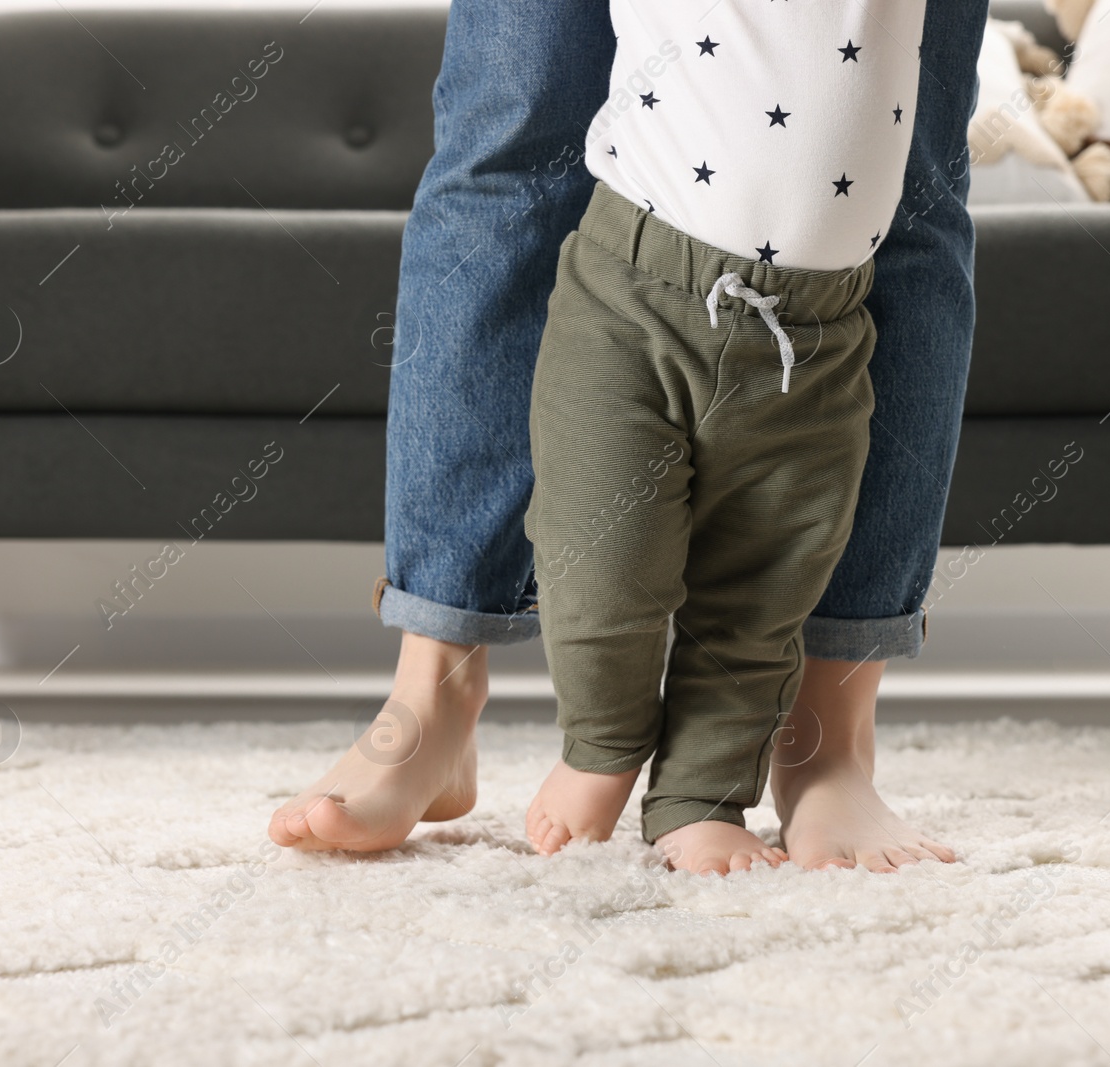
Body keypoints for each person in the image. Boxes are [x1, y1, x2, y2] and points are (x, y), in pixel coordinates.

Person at [269, 0, 990, 873]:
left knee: (912, 179)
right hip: (631, 290)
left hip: (819, 335)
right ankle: (437, 700)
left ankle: (822, 739)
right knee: (510, 131)